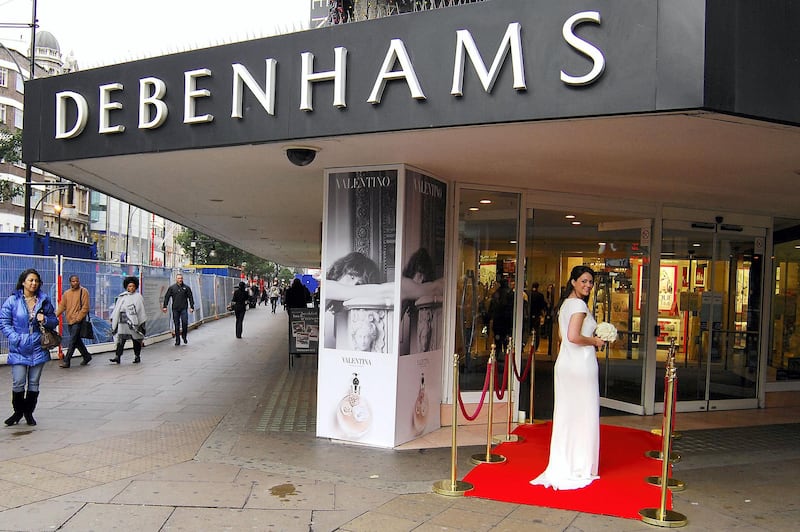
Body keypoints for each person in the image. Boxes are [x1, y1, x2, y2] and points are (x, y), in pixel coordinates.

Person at [530, 265, 607, 490]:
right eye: (583, 281)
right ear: (573, 281)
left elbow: (564, 336)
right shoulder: (579, 305)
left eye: (590, 282)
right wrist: (595, 341)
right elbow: (572, 336)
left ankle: (568, 460)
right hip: (580, 365)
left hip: (567, 364)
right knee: (583, 413)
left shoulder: (566, 304)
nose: (588, 285)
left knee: (568, 414)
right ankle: (580, 464)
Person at [0, 268, 59, 426]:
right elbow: (4, 321)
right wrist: (15, 338)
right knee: (18, 381)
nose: (33, 283)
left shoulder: (44, 300)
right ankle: (18, 412)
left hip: (38, 347)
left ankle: (28, 413)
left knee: (34, 382)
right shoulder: (13, 300)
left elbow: (54, 321)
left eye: (36, 281)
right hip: (19, 347)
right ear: (23, 282)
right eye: (30, 280)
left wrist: (45, 319)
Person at [55, 275, 93, 368]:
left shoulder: (84, 291)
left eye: (76, 281)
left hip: (78, 321)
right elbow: (62, 306)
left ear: (79, 281)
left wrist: (78, 318)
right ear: (70, 282)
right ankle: (86, 356)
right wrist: (55, 315)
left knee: (72, 341)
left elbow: (85, 307)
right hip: (70, 320)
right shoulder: (67, 293)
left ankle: (67, 361)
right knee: (77, 341)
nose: (75, 283)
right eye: (73, 281)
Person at [109, 276, 148, 364]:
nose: (131, 288)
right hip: (122, 321)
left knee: (136, 339)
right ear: (126, 287)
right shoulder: (122, 296)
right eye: (129, 286)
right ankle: (117, 356)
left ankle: (137, 356)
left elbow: (140, 310)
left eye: (133, 286)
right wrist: (113, 317)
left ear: (136, 287)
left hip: (134, 322)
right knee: (121, 339)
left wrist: (139, 321)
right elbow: (117, 308)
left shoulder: (138, 297)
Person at [162, 273, 194, 346]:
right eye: (179, 278)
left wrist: (192, 307)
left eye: (181, 278)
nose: (180, 280)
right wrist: (165, 306)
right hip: (175, 309)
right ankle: (177, 340)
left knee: (184, 322)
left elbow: (190, 297)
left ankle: (184, 335)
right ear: (176, 279)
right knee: (176, 324)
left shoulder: (186, 288)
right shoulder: (172, 288)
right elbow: (167, 297)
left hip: (184, 308)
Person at [528, 282, 548, 352]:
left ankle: (524, 346)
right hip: (537, 315)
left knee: (527, 331)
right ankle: (535, 347)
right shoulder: (540, 295)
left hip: (529, 315)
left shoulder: (529, 294)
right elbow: (543, 305)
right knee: (537, 332)